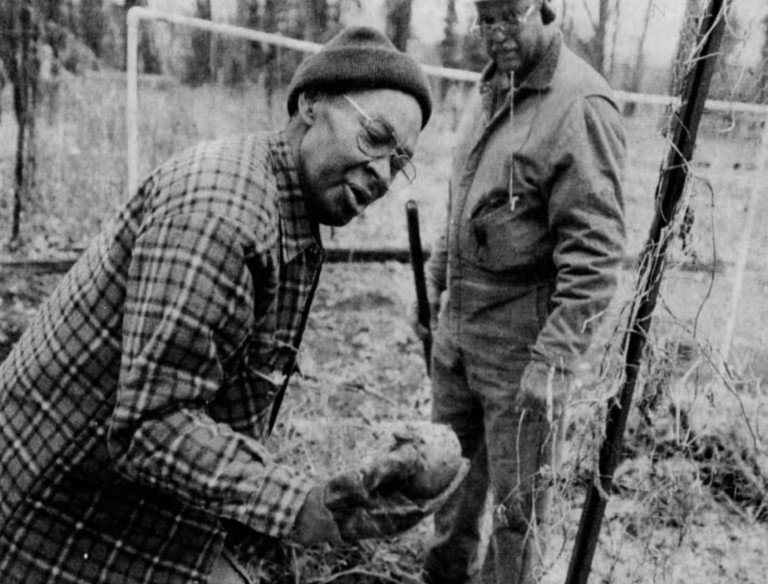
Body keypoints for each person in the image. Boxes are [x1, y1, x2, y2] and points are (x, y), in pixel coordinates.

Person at [0, 26, 450, 584]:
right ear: (311, 104)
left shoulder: (293, 210)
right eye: (374, 137)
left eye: (399, 160)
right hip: (53, 506)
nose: (382, 173)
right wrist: (298, 506)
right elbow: (151, 425)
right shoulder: (225, 215)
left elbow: (224, 402)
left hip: (124, 494)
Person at [416, 1, 627, 583]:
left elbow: (595, 254)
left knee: (517, 514)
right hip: (460, 331)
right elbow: (462, 202)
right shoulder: (490, 88)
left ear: (545, 7)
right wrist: (435, 289)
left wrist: (553, 360)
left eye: (510, 15)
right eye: (486, 19)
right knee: (448, 485)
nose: (496, 33)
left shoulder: (579, 104)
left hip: (521, 347)